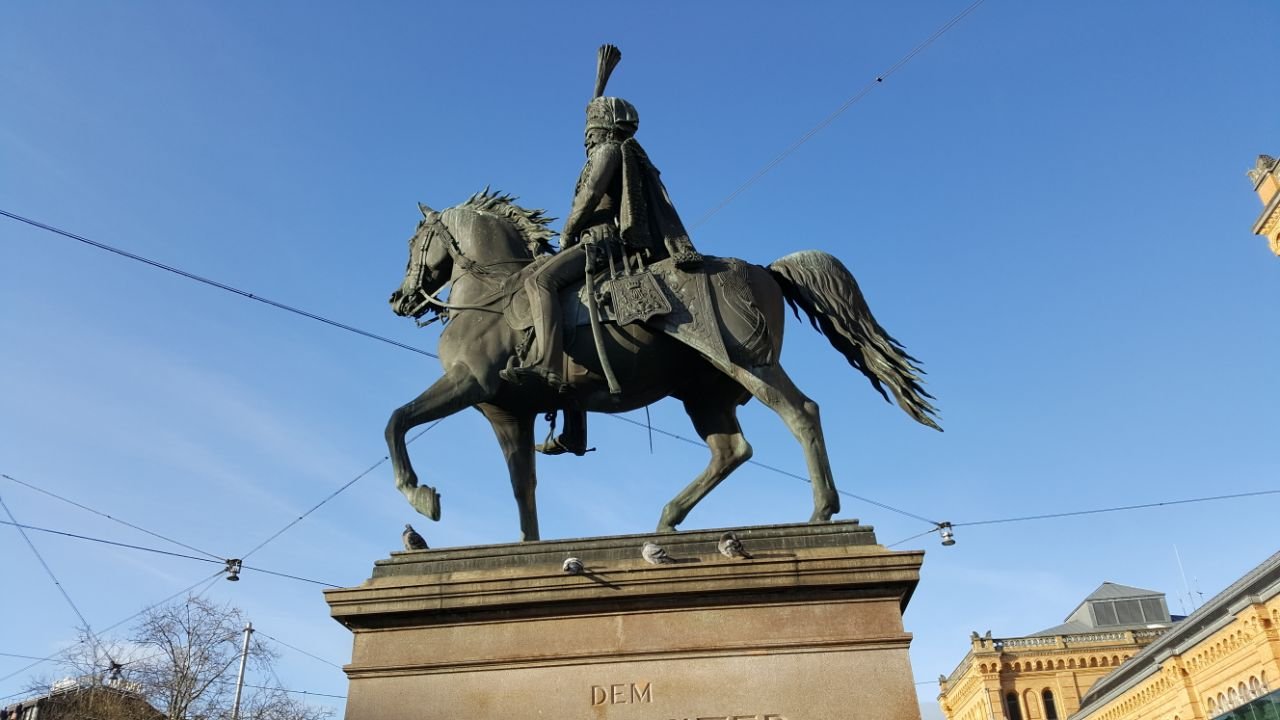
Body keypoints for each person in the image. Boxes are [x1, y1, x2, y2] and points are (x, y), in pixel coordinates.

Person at [501, 47, 701, 455]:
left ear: (605, 127)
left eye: (590, 129)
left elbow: (588, 197)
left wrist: (569, 231)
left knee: (540, 280)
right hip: (600, 243)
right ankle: (574, 425)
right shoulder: (611, 150)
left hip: (602, 243)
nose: (585, 136)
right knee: (575, 320)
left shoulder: (608, 152)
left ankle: (546, 367)